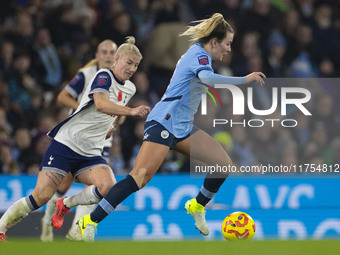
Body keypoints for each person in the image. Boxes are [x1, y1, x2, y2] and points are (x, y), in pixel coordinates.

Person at [75, 13, 266, 242]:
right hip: (164, 121)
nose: (228, 49)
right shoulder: (199, 56)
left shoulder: (200, 54)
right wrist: (244, 80)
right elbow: (208, 79)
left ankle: (197, 206)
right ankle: (88, 222)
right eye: (227, 44)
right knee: (139, 178)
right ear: (214, 42)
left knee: (223, 164)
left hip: (183, 127)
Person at [0, 36, 150, 242]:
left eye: (136, 65)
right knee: (42, 196)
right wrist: (132, 111)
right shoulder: (103, 76)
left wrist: (112, 127)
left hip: (90, 152)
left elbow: (116, 111)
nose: (132, 68)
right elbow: (100, 103)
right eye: (129, 62)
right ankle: (2, 227)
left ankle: (65, 205)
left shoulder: (130, 88)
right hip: (67, 144)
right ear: (117, 59)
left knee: (108, 186)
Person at [40, 39, 118, 242]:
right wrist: (83, 108)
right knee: (62, 185)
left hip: (100, 141)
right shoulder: (87, 75)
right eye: (104, 52)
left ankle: (77, 231)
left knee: (97, 186)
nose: (108, 55)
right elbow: (62, 97)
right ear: (97, 55)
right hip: (75, 138)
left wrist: (116, 122)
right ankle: (47, 222)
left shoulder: (121, 80)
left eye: (112, 52)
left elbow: (120, 110)